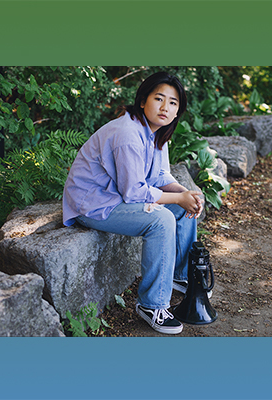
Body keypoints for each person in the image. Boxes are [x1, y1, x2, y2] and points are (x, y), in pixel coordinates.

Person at [62, 71, 203, 334]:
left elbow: (160, 176)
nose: (165, 107)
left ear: (177, 111)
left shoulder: (156, 132)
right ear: (142, 100)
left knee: (183, 208)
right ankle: (151, 305)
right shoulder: (128, 133)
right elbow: (134, 192)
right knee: (162, 219)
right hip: (93, 204)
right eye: (158, 98)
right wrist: (179, 199)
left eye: (173, 103)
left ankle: (180, 278)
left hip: (116, 197)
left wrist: (188, 194)